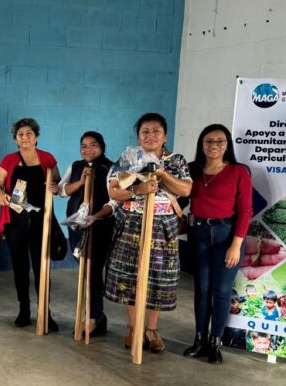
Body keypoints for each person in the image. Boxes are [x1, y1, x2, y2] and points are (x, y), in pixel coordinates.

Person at [105, 113, 192, 353]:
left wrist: (162, 174)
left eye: (156, 131)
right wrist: (138, 189)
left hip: (163, 227)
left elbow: (186, 189)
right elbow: (114, 191)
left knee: (158, 278)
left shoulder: (176, 160)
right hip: (132, 223)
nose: (150, 136)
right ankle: (133, 327)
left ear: (165, 136)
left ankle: (151, 330)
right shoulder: (128, 158)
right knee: (130, 277)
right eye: (145, 131)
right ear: (138, 136)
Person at [183, 123, 252, 364]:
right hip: (198, 234)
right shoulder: (192, 170)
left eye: (220, 141)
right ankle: (200, 339)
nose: (214, 145)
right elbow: (180, 198)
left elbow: (246, 211)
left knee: (221, 291)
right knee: (201, 290)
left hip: (227, 236)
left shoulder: (238, 171)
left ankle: (215, 342)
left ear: (227, 145)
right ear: (201, 144)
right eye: (209, 141)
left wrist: (236, 245)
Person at [0, 118, 61, 330]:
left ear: (36, 137)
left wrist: (55, 186)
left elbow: (58, 183)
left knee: (42, 268)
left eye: (29, 133)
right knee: (20, 267)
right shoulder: (9, 160)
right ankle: (24, 309)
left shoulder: (47, 158)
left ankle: (45, 312)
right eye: (20, 134)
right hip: (15, 221)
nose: (25, 137)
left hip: (41, 220)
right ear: (15, 139)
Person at [59, 131, 114, 337]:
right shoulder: (76, 166)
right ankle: (97, 316)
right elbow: (62, 190)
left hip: (99, 225)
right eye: (84, 146)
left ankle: (93, 317)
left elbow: (114, 199)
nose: (88, 149)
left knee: (93, 270)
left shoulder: (110, 168)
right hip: (76, 225)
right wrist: (81, 182)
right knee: (84, 268)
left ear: (102, 147)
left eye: (93, 145)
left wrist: (96, 216)